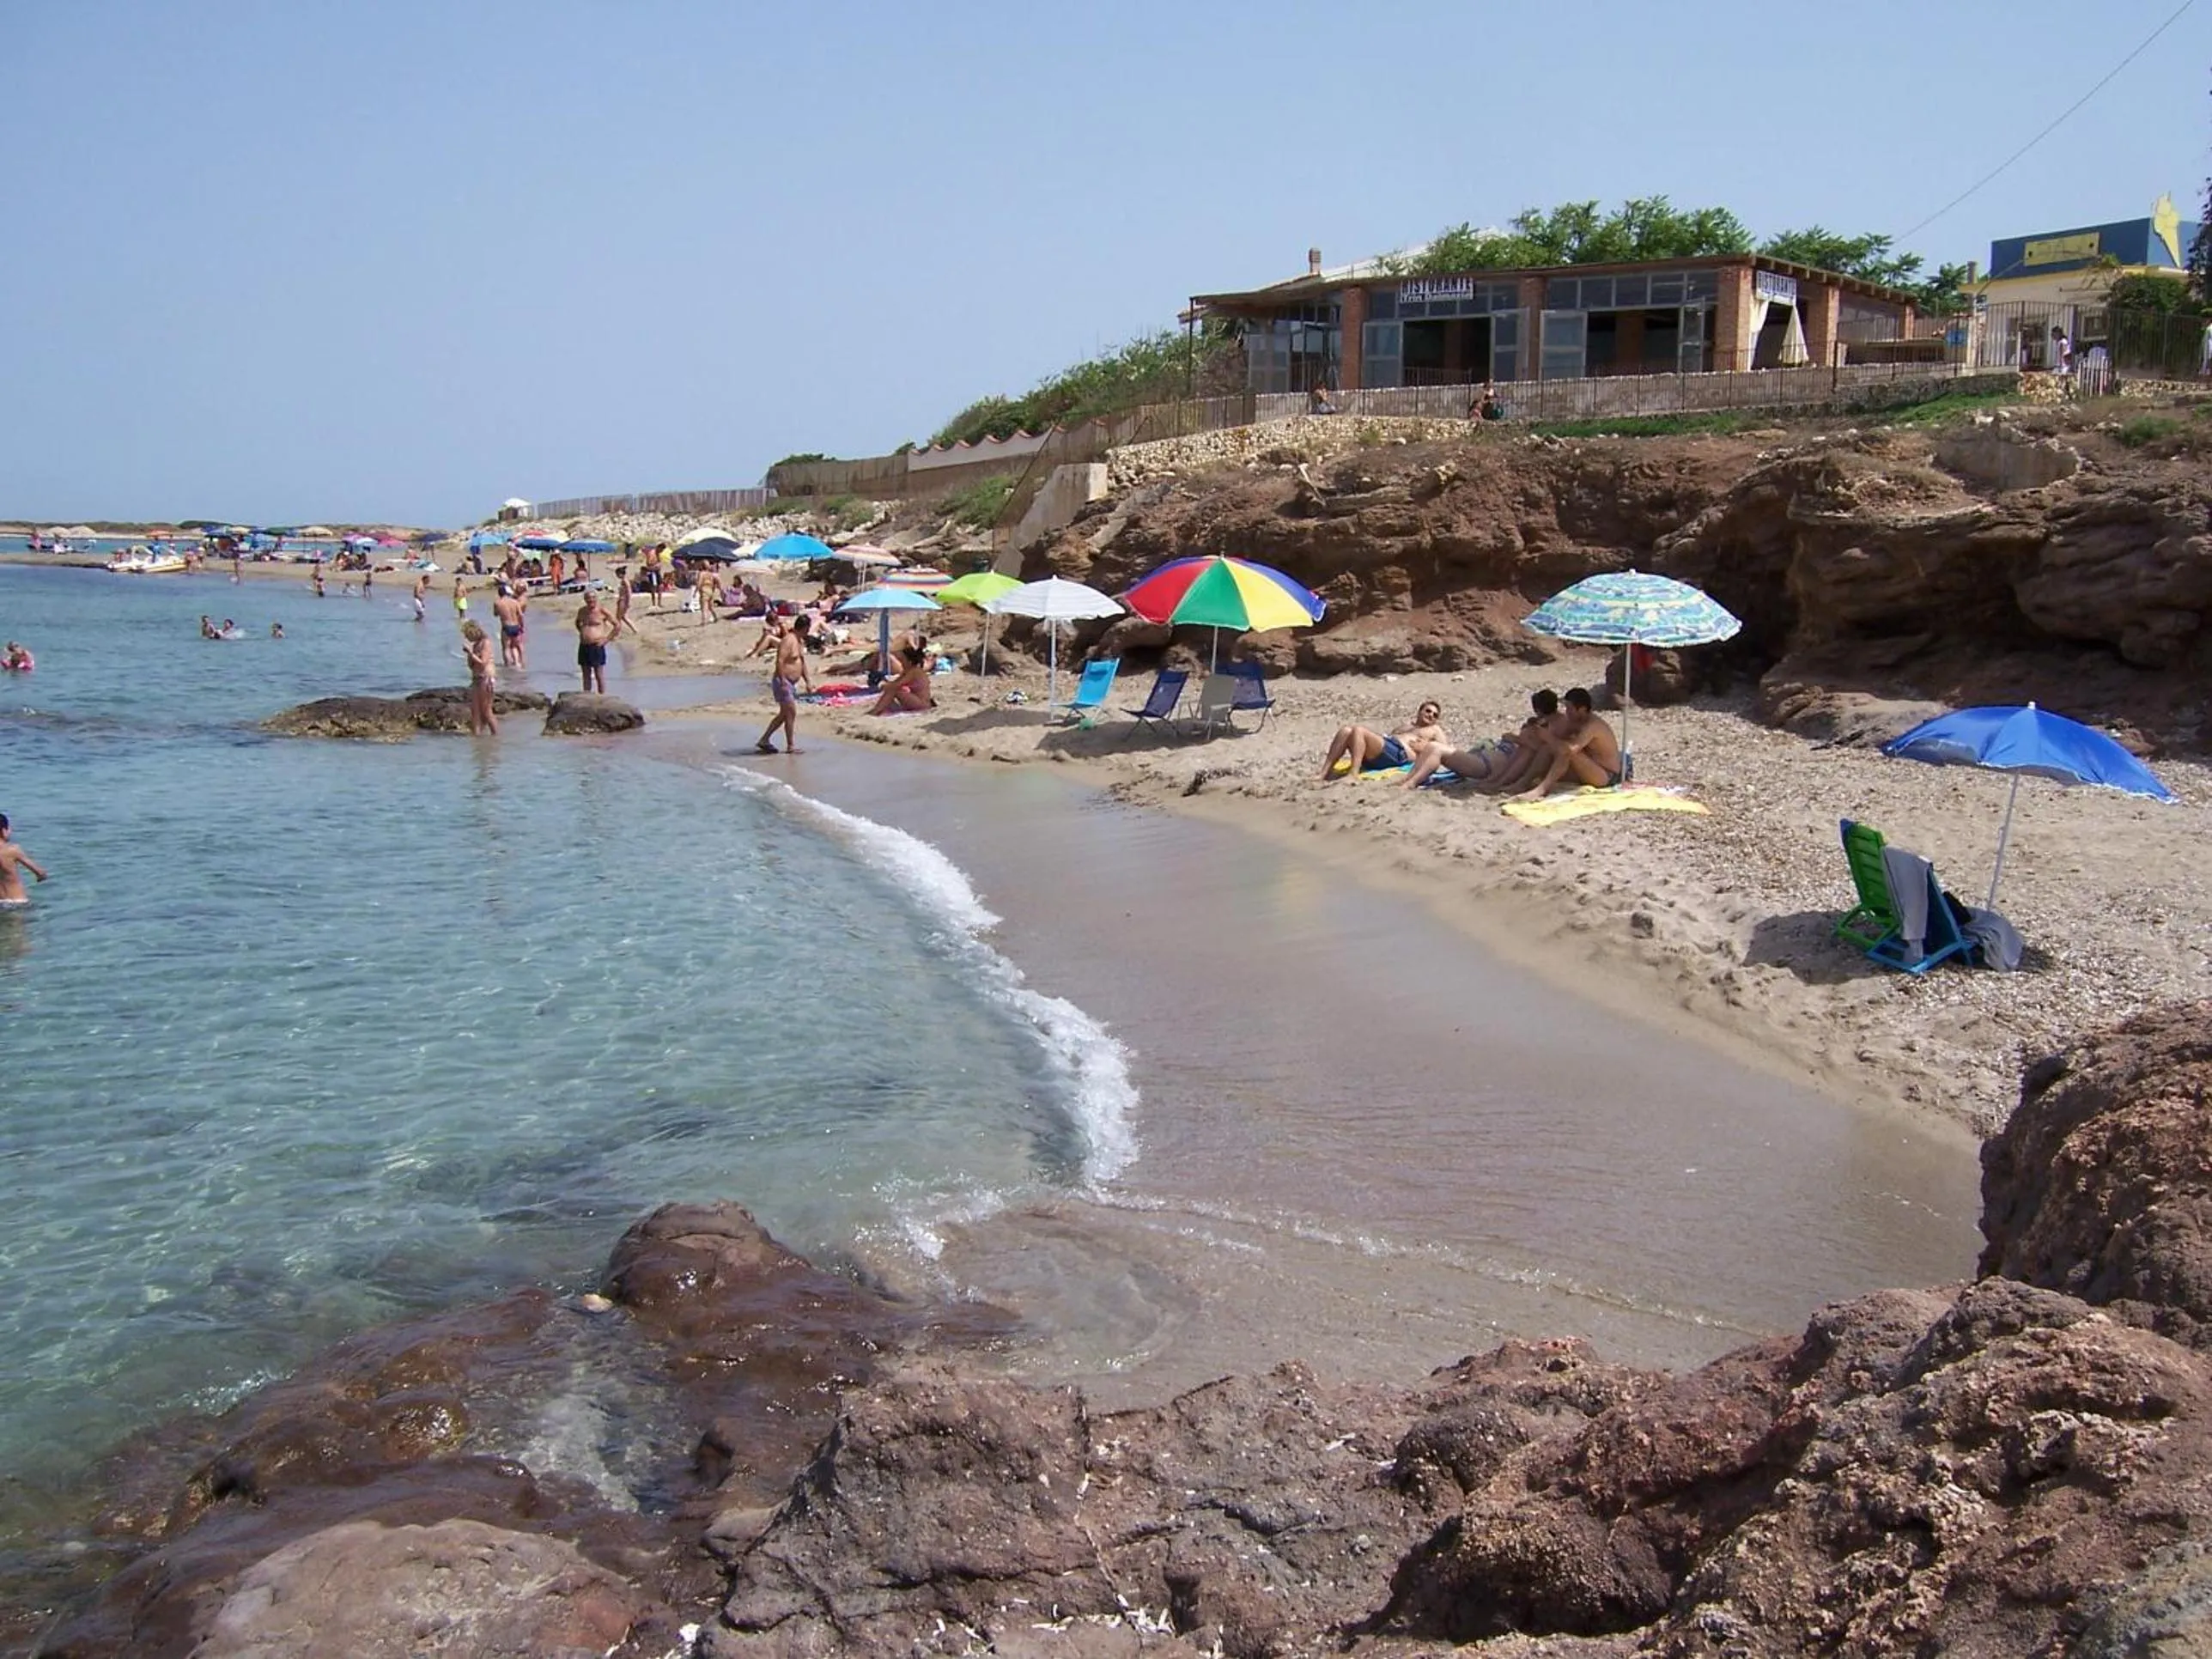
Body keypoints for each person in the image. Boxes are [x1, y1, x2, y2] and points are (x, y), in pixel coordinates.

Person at [1407, 689, 1560, 790]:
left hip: (1486, 765)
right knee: (1433, 748)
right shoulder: (1537, 727)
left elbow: (1535, 749)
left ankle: (1411, 784)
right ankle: (1408, 780)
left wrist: (1514, 738)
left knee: (1436, 748)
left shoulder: (1543, 733)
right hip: (1484, 757)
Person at [1513, 686, 1623, 799]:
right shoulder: (1576, 722)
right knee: (1547, 749)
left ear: (1582, 709)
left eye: (1569, 709)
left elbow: (1570, 749)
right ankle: (1522, 783)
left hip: (1605, 775)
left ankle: (1542, 790)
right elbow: (1558, 740)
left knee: (1568, 752)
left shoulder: (1593, 725)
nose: (1567, 712)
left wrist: (1548, 737)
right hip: (1588, 768)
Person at [1319, 700, 1449, 781]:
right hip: (1387, 748)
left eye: (1435, 715)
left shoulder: (1434, 729)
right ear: (1419, 711)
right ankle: (1324, 773)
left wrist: (1427, 747)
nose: (1431, 715)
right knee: (1346, 731)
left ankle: (1353, 775)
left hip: (1399, 754)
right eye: (1428, 711)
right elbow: (1387, 739)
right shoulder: (1405, 726)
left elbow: (1445, 752)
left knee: (1359, 730)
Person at [754, 614, 812, 754]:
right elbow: (780, 660)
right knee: (790, 712)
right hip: (783, 681)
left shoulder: (799, 641)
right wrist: (783, 681)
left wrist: (808, 681)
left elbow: (801, 662)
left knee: (784, 714)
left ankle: (764, 739)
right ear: (804, 628)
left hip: (791, 683)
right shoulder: (788, 640)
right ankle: (790, 746)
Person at [869, 644, 935, 714]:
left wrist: (884, 684)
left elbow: (896, 685)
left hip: (922, 704)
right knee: (892, 689)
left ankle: (876, 711)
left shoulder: (914, 671)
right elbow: (896, 682)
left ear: (909, 661)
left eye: (902, 660)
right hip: (918, 700)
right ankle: (880, 709)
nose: (901, 663)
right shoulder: (909, 670)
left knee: (894, 690)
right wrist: (886, 685)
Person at [460, 619, 499, 735]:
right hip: (477, 678)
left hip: (486, 678)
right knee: (475, 712)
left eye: (468, 635)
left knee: (486, 711)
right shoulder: (476, 645)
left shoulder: (485, 643)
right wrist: (469, 655)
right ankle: (477, 739)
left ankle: (496, 736)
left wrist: (471, 654)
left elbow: (483, 662)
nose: (467, 638)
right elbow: (472, 665)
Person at [0, 812, 48, 904]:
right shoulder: (12, 850)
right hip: (17, 901)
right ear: (3, 831)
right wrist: (40, 878)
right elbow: (41, 873)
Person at [575, 591, 617, 693]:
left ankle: (602, 697)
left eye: (593, 598)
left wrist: (607, 639)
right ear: (585, 600)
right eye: (588, 598)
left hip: (597, 645)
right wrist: (583, 632)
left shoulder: (602, 611)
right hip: (584, 645)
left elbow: (617, 625)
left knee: (599, 675)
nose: (591, 600)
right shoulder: (582, 611)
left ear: (596, 598)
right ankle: (587, 696)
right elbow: (577, 622)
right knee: (586, 675)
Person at [493, 581, 528, 670]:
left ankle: (508, 666)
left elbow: (495, 614)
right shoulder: (515, 602)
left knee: (506, 648)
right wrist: (522, 626)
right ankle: (517, 664)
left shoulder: (498, 603)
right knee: (514, 646)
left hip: (506, 626)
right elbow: (520, 615)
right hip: (516, 626)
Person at [614, 568, 637, 636]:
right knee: (623, 617)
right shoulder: (623, 581)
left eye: (617, 574)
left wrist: (629, 602)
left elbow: (629, 591)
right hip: (622, 599)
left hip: (623, 600)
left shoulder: (625, 581)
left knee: (618, 618)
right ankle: (634, 630)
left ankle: (616, 633)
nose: (616, 576)